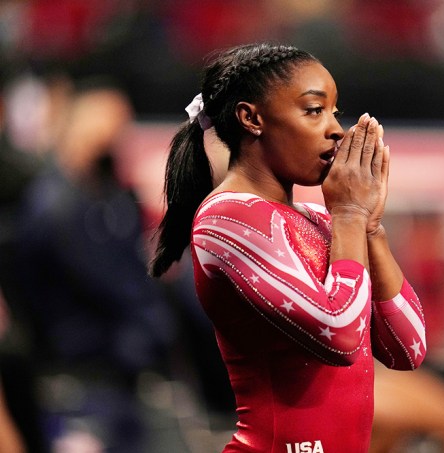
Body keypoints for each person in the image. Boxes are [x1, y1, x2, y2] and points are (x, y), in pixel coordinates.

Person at [148, 42, 427, 452]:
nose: (336, 129)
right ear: (251, 118)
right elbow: (341, 335)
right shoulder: (227, 217)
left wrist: (369, 228)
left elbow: (408, 348)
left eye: (335, 111)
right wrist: (349, 214)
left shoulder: (317, 220)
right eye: (314, 110)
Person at [15, 80, 176, 452]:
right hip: (81, 376)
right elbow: (106, 284)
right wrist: (151, 325)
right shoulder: (58, 207)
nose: (119, 139)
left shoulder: (106, 196)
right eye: (112, 128)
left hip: (117, 371)